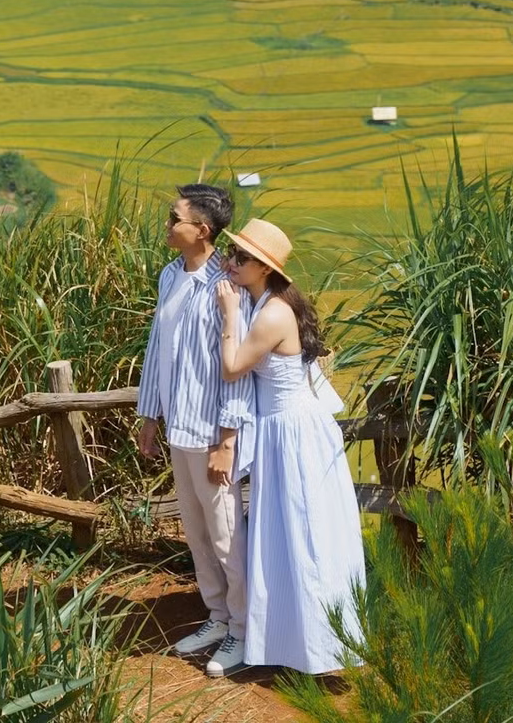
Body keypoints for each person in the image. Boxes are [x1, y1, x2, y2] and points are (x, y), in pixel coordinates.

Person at [216, 216, 364, 677]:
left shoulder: (272, 313)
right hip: (288, 430)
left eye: (241, 258)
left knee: (304, 532)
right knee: (289, 532)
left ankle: (321, 647)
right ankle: (294, 641)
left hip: (293, 432)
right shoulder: (272, 300)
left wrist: (228, 317)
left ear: (263, 268)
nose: (231, 263)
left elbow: (233, 368)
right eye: (232, 253)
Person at [136, 184, 255, 679]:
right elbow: (157, 348)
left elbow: (238, 370)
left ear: (201, 230)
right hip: (178, 429)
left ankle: (245, 631)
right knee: (197, 531)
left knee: (227, 535)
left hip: (211, 432)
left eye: (173, 218)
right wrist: (148, 414)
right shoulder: (169, 275)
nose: (166, 226)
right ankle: (217, 616)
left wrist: (226, 441)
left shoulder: (226, 287)